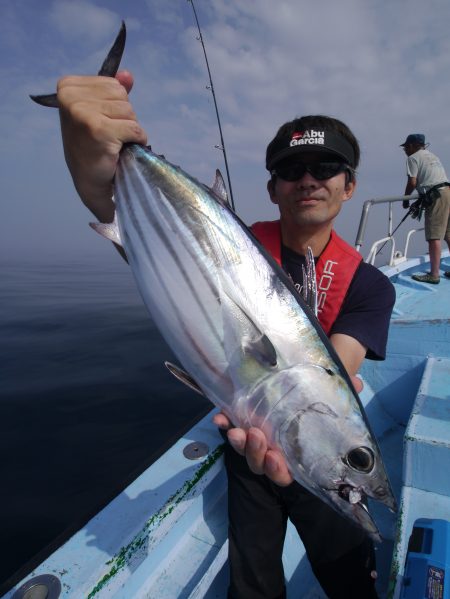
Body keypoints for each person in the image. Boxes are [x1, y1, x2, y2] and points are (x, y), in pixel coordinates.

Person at [56, 71, 395, 599]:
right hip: (248, 446)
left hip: (300, 452)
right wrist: (90, 158)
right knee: (253, 584)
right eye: (290, 169)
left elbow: (335, 372)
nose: (308, 179)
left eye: (327, 167)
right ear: (272, 188)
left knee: (352, 578)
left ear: (349, 185)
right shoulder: (219, 234)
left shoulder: (370, 285)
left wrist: (335, 455)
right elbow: (128, 223)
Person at [400, 133, 450, 283]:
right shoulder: (432, 156)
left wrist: (405, 199)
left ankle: (434, 275)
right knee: (448, 234)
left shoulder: (412, 158)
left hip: (437, 196)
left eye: (406, 147)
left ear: (412, 146)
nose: (405, 150)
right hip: (447, 191)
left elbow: (412, 182)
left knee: (434, 236)